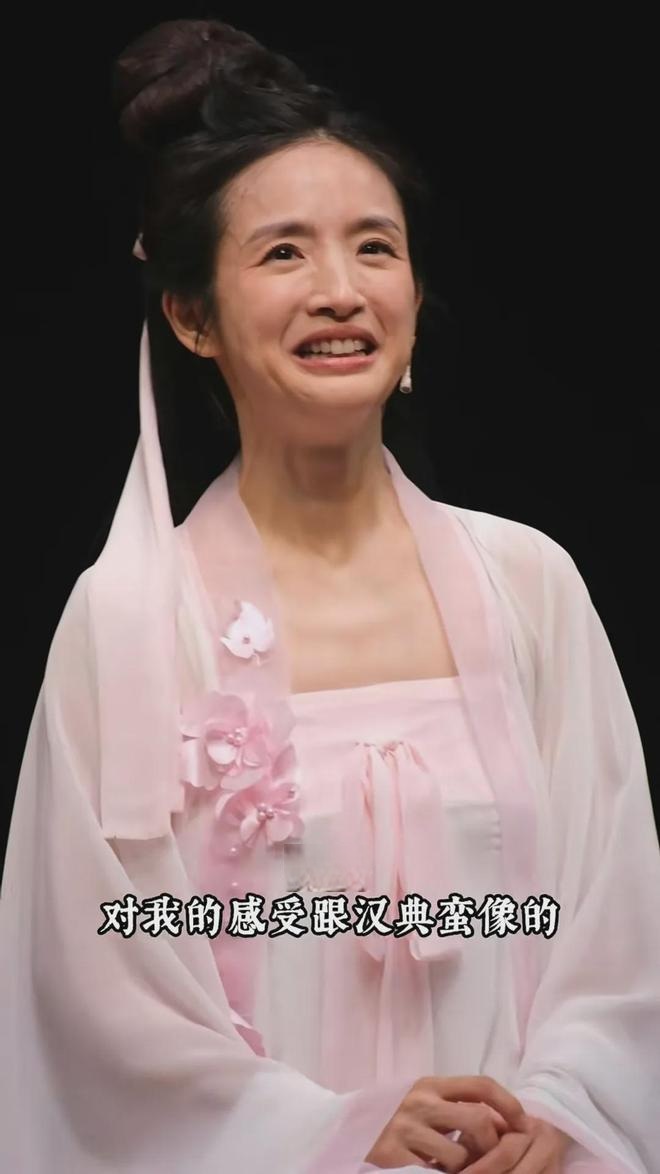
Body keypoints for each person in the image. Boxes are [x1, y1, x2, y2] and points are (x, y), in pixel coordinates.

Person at [1, 18, 658, 1174]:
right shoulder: (131, 621)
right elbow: (93, 994)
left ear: (415, 294)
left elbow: (620, 930)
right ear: (191, 316)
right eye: (284, 254)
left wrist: (566, 1104)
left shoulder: (530, 586)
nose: (341, 291)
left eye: (374, 247)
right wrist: (332, 1133)